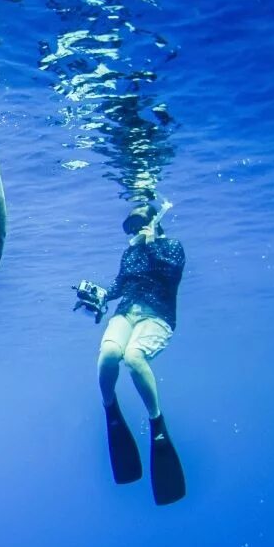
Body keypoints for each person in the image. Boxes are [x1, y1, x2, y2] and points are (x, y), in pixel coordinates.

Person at [88, 201, 187, 504]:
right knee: (108, 355)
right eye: (130, 228)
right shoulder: (130, 252)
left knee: (133, 357)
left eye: (138, 224)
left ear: (156, 221)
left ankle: (156, 421)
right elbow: (119, 285)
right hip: (127, 311)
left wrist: (151, 243)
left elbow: (170, 274)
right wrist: (99, 295)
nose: (133, 231)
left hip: (157, 315)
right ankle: (111, 409)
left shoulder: (172, 247)